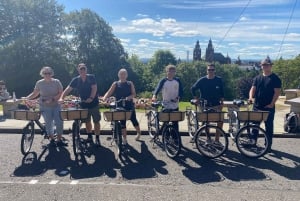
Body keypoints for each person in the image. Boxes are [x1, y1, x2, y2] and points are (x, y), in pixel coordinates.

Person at [59, 63, 101, 146]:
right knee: (87, 121)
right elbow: (68, 89)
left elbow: (94, 88)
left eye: (83, 69)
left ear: (86, 69)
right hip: (83, 103)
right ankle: (89, 137)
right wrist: (61, 98)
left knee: (96, 121)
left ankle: (97, 138)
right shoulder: (76, 80)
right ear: (78, 70)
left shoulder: (91, 77)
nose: (82, 71)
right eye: (80, 69)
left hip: (94, 103)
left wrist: (91, 98)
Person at [25, 67, 65, 146]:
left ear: (51, 74)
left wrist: (52, 99)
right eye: (45, 73)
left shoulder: (56, 82)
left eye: (49, 73)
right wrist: (27, 98)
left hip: (56, 105)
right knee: (48, 123)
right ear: (42, 74)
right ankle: (52, 139)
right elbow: (35, 93)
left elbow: (61, 93)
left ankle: (59, 139)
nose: (47, 75)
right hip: (44, 106)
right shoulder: (39, 83)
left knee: (59, 122)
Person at [248, 56, 281, 151]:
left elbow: (277, 92)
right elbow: (252, 89)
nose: (265, 66)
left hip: (268, 107)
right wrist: (250, 97)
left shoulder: (275, 78)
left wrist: (271, 104)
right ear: (261, 66)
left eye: (267, 65)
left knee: (268, 127)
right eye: (263, 65)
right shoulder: (257, 78)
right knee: (255, 126)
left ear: (271, 66)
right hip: (257, 106)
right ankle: (253, 143)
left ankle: (268, 146)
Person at [103, 68, 141, 144]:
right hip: (119, 105)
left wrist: (129, 97)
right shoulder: (115, 83)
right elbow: (109, 92)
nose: (122, 75)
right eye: (121, 74)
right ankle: (124, 139)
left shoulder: (130, 83)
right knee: (122, 123)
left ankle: (139, 133)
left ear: (126, 75)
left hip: (129, 105)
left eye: (124, 74)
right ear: (118, 75)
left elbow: (134, 93)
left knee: (134, 120)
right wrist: (105, 98)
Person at [191, 63, 224, 144]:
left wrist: (222, 103)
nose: (211, 71)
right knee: (206, 121)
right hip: (204, 104)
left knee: (220, 120)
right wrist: (196, 98)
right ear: (207, 70)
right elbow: (192, 89)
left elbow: (222, 92)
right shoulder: (202, 80)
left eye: (212, 70)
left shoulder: (219, 80)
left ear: (214, 70)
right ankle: (208, 139)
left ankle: (217, 140)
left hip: (216, 104)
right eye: (209, 70)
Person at [152, 64, 183, 132]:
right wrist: (154, 95)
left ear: (175, 72)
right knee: (166, 121)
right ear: (167, 72)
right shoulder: (163, 81)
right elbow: (157, 88)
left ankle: (176, 140)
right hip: (166, 104)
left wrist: (178, 97)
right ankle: (165, 136)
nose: (171, 73)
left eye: (173, 71)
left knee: (175, 123)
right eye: (169, 71)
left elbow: (181, 91)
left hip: (175, 104)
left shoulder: (177, 80)